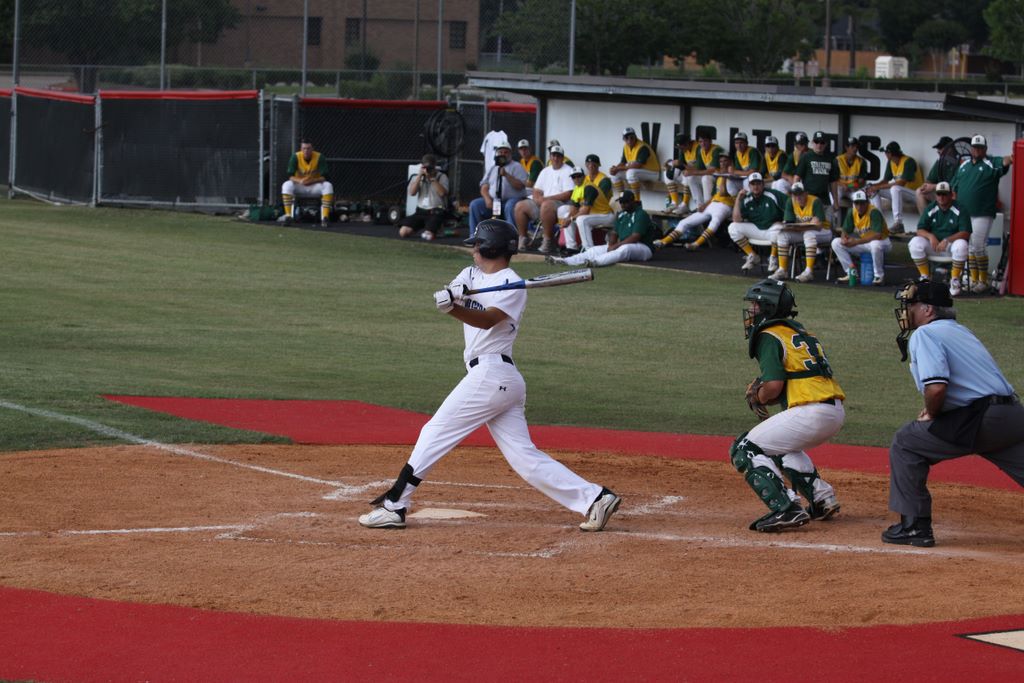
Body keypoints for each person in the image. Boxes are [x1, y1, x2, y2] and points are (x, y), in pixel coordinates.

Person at [358, 219, 622, 532]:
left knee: (435, 431)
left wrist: (452, 308)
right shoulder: (471, 274)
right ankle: (596, 498)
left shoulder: (512, 285)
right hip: (499, 380)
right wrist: (452, 293)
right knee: (525, 459)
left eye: (476, 245)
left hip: (491, 375)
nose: (472, 250)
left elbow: (487, 320)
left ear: (489, 247)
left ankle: (394, 505)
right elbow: (456, 289)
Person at [885, 278, 1024, 547]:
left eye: (911, 305)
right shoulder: (960, 331)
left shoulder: (926, 334)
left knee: (907, 442)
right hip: (1012, 416)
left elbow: (936, 388)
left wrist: (931, 413)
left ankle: (915, 527)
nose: (906, 311)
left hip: (980, 419)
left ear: (928, 309)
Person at [731, 278, 845, 532]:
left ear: (768, 307)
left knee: (744, 448)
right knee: (778, 446)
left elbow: (773, 386)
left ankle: (787, 508)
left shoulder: (768, 335)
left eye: (755, 305)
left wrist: (759, 396)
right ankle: (821, 498)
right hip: (833, 411)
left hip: (811, 412)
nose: (750, 311)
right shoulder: (800, 332)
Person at [951, 134, 1014, 294]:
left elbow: (1005, 161)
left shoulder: (991, 163)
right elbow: (954, 187)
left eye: (980, 148)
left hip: (982, 212)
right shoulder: (964, 165)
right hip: (964, 213)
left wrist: (1013, 157)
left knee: (978, 245)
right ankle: (975, 280)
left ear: (985, 149)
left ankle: (983, 280)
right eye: (975, 147)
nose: (977, 150)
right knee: (971, 247)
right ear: (971, 148)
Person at [545, 190, 655, 268]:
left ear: (632, 201)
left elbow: (635, 237)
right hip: (623, 244)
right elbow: (614, 232)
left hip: (644, 248)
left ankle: (595, 262)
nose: (622, 204)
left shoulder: (641, 214)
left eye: (625, 202)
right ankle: (566, 261)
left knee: (625, 249)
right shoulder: (621, 214)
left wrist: (615, 246)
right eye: (621, 202)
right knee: (594, 250)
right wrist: (611, 244)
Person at [654, 151, 739, 250]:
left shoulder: (734, 176)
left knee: (714, 222)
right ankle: (663, 241)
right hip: (713, 204)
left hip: (726, 206)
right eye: (721, 161)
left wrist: (724, 175)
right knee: (684, 222)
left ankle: (696, 244)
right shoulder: (719, 176)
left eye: (725, 161)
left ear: (730, 162)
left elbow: (723, 193)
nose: (723, 163)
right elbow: (715, 195)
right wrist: (704, 205)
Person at [910, 181, 971, 296]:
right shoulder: (931, 208)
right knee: (914, 243)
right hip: (935, 246)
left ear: (951, 195)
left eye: (944, 194)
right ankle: (925, 277)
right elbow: (920, 230)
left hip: (951, 247)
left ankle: (955, 280)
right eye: (939, 194)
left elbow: (966, 233)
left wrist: (947, 240)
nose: (941, 197)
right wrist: (930, 236)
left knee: (962, 244)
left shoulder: (960, 209)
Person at [513, 145, 574, 253]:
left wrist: (546, 199)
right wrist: (538, 199)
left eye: (558, 156)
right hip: (544, 203)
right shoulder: (545, 171)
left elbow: (568, 194)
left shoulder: (568, 170)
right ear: (550, 156)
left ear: (562, 157)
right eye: (553, 155)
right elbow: (536, 189)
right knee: (520, 206)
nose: (555, 158)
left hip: (561, 204)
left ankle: (548, 240)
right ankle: (523, 238)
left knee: (547, 205)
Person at [467, 139, 529, 237]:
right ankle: (475, 236)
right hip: (494, 201)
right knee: (475, 205)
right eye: (501, 152)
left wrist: (507, 175)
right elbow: (484, 185)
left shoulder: (517, 166)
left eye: (506, 152)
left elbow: (521, 186)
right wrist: (487, 199)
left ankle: (511, 237)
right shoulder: (493, 167)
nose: (503, 154)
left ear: (510, 153)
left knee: (510, 205)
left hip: (512, 200)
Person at [774, 182, 833, 283]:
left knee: (809, 233)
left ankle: (809, 271)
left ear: (806, 193)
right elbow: (789, 223)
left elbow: (818, 226)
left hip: (824, 232)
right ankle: (782, 270)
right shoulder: (790, 202)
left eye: (800, 194)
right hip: (803, 231)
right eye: (795, 194)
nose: (797, 197)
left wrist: (799, 227)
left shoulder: (815, 201)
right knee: (782, 235)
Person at [728, 172, 786, 273]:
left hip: (773, 231)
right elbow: (736, 219)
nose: (756, 186)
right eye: (753, 184)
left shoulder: (773, 194)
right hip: (757, 230)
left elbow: (790, 204)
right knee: (733, 227)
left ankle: (773, 257)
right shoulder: (746, 199)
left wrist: (785, 220)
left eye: (758, 183)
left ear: (763, 184)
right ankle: (752, 255)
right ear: (749, 186)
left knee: (778, 228)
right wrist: (738, 200)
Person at [831, 190, 891, 286]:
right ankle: (851, 273)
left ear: (867, 202)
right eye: (857, 203)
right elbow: (845, 230)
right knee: (836, 243)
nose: (859, 206)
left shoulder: (874, 212)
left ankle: (879, 276)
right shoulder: (852, 211)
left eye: (862, 203)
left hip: (883, 242)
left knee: (875, 245)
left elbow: (877, 235)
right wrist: (844, 238)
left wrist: (856, 242)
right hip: (865, 243)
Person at [867, 140, 922, 234]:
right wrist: (873, 186)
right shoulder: (891, 162)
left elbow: (901, 183)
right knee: (873, 191)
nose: (885, 154)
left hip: (916, 195)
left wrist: (878, 187)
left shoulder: (908, 161)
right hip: (901, 194)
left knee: (895, 188)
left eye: (886, 152)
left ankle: (898, 223)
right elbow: (885, 181)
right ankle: (879, 223)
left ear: (892, 153)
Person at [567, 154, 616, 252]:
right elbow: (573, 208)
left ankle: (589, 251)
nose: (576, 178)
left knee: (581, 219)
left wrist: (572, 218)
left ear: (583, 176)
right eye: (574, 177)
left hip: (605, 215)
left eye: (578, 176)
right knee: (567, 216)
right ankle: (571, 247)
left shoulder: (590, 186)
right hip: (592, 214)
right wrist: (568, 218)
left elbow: (585, 210)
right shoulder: (577, 188)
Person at [281, 138, 334, 227]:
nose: (306, 151)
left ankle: (325, 218)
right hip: (300, 185)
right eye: (304, 148)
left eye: (308, 148)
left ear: (312, 149)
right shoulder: (296, 156)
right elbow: (290, 175)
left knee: (328, 185)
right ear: (301, 149)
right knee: (286, 185)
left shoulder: (319, 157)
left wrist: (313, 180)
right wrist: (300, 180)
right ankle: (288, 216)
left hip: (314, 185)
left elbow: (325, 177)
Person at [398, 154, 450, 241]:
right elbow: (412, 193)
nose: (427, 170)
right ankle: (424, 227)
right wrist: (419, 177)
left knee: (428, 236)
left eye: (430, 168)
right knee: (403, 232)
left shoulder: (442, 176)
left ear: (434, 167)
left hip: (435, 211)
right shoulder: (419, 177)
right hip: (421, 211)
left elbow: (442, 193)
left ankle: (436, 228)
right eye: (426, 167)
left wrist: (432, 178)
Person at [792, 131, 839, 222]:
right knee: (810, 226)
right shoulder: (806, 157)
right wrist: (795, 196)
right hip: (808, 199)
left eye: (822, 142)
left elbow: (833, 182)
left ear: (826, 144)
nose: (819, 145)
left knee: (828, 225)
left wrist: (836, 201)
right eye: (816, 142)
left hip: (825, 200)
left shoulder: (830, 159)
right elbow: (797, 177)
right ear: (812, 143)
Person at [609, 127, 660, 198]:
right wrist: (615, 169)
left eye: (631, 137)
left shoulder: (642, 147)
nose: (629, 140)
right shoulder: (626, 147)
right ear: (623, 139)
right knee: (614, 174)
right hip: (640, 172)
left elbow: (637, 165)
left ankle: (636, 200)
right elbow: (623, 162)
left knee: (631, 173)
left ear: (635, 137)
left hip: (652, 173)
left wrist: (618, 168)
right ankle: (622, 197)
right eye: (627, 138)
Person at [915, 135, 955, 214]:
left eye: (941, 148)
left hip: (954, 195)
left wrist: (933, 186)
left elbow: (955, 186)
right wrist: (925, 186)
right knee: (920, 191)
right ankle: (925, 220)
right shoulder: (940, 162)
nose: (938, 151)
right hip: (941, 193)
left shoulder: (959, 162)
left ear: (950, 149)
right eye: (938, 149)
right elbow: (929, 180)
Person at [832, 136, 868, 220]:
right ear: (846, 147)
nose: (855, 149)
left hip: (853, 188)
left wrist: (849, 186)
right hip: (839, 187)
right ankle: (833, 221)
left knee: (859, 199)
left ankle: (857, 222)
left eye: (856, 146)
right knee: (834, 199)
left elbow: (861, 182)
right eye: (852, 146)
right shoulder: (838, 160)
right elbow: (833, 180)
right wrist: (843, 185)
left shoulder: (861, 161)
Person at [664, 132, 699, 215]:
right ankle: (674, 203)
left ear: (687, 143)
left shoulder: (698, 148)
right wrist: (670, 165)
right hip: (689, 173)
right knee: (667, 172)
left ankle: (685, 204)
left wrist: (683, 166)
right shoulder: (683, 150)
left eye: (681, 147)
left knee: (688, 175)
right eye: (679, 147)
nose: (680, 150)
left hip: (699, 175)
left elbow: (699, 168)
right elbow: (681, 164)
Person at [690, 130, 724, 208]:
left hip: (720, 177)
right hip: (711, 176)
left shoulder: (716, 150)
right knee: (691, 178)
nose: (703, 143)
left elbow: (712, 170)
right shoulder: (701, 150)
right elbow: (698, 168)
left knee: (705, 178)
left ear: (710, 141)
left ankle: (707, 206)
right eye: (700, 141)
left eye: (705, 141)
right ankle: (699, 205)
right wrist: (688, 170)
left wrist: (693, 172)